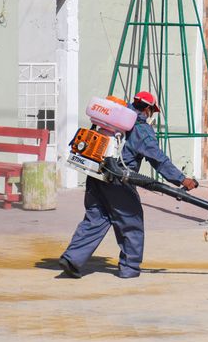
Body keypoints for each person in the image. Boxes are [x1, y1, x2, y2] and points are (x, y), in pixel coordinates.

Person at [59, 91, 197, 279]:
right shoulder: (140, 129)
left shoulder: (113, 120)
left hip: (96, 175)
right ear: (148, 109)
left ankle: (72, 259)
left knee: (96, 219)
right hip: (119, 180)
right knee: (131, 222)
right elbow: (158, 159)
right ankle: (129, 267)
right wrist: (182, 179)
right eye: (152, 111)